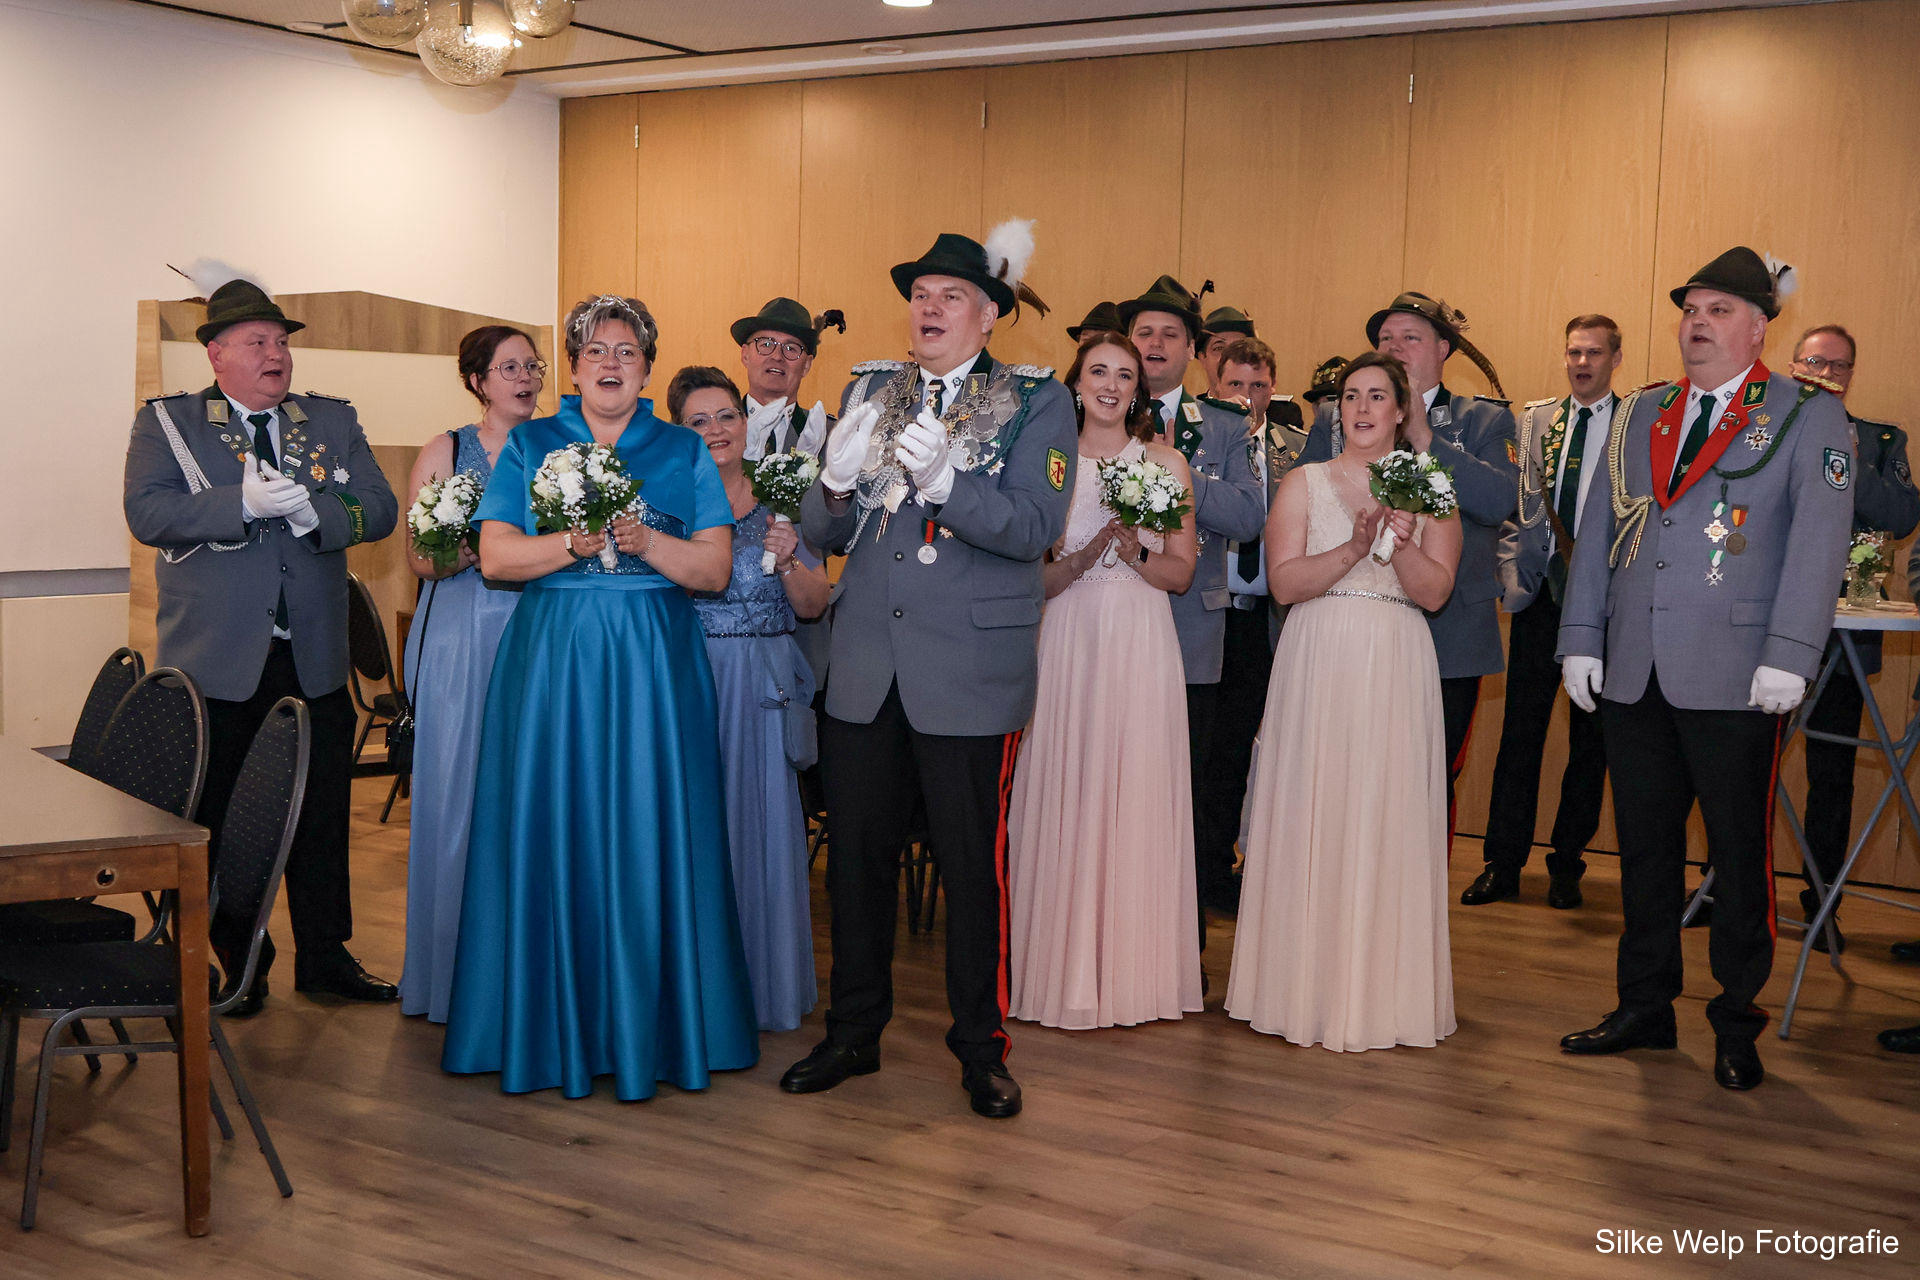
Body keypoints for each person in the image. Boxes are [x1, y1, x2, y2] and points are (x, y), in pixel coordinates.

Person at [779, 223, 1074, 1119]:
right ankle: (853, 1032)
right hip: (868, 666)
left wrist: (951, 485)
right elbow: (824, 535)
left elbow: (1034, 528)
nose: (930, 308)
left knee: (971, 873)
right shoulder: (871, 389)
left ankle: (982, 1050)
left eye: (951, 296)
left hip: (969, 672)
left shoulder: (1035, 402)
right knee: (856, 864)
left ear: (990, 315)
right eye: (920, 295)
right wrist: (830, 487)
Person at [442, 295, 758, 1099]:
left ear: (646, 368)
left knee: (656, 820)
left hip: (654, 661)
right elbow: (496, 559)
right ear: (575, 369)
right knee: (553, 820)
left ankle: (660, 1031)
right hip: (554, 659)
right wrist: (570, 543)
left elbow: (714, 571)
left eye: (626, 351)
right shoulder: (531, 444)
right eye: (594, 352)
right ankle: (550, 1028)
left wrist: (648, 542)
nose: (610, 363)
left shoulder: (682, 448)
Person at [1557, 247, 1852, 1091]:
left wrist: (1791, 653)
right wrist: (1581, 635)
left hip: (1737, 671)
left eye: (1720, 309)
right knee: (1645, 851)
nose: (1698, 322)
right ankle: (1645, 1005)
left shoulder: (1804, 414)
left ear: (1760, 328)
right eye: (1691, 309)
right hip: (1635, 666)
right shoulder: (1642, 410)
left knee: (1738, 855)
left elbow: (1818, 542)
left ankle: (1736, 1020)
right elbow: (1600, 526)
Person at [124, 277, 398, 1016]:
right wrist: (237, 504)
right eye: (257, 342)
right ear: (217, 354)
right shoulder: (170, 423)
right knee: (216, 817)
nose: (276, 354)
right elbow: (147, 512)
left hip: (312, 655)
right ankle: (238, 958)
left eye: (281, 341)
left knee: (322, 812)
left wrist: (319, 518)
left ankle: (326, 955)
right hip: (217, 660)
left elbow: (379, 507)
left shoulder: (330, 420)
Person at [1226, 352, 1461, 1050]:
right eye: (1350, 395)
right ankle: (1299, 987)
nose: (1361, 408)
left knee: (1385, 808)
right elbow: (1285, 583)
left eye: (1377, 396)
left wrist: (1398, 542)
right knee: (1315, 806)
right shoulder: (1304, 482)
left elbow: (1436, 593)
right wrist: (1355, 547)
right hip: (1318, 656)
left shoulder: (1432, 487)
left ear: (1401, 410)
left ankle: (1382, 994)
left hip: (1395, 658)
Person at [1006, 331, 1201, 1029]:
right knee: (1068, 781)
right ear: (1076, 384)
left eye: (1124, 374)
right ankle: (1056, 969)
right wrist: (1081, 554)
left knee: (1134, 785)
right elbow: (1034, 581)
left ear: (1138, 389)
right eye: (1098, 372)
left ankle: (1132, 973)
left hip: (1141, 635)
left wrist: (1135, 551)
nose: (1111, 385)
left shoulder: (1165, 463)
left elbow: (1182, 572)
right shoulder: (1047, 464)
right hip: (1068, 634)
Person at [1298, 293, 1518, 837]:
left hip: (1449, 629)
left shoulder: (1483, 420)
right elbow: (1298, 505)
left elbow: (1499, 502)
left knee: (1427, 780)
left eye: (1410, 338)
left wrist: (1423, 436)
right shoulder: (1336, 416)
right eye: (1385, 339)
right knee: (1345, 773)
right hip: (1349, 627)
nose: (1395, 348)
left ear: (1444, 349)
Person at [672, 365, 831, 1033]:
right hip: (687, 679)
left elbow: (815, 604)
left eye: (726, 416)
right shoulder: (668, 504)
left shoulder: (782, 497)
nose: (715, 430)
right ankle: (696, 994)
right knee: (692, 829)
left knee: (762, 827)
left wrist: (790, 557)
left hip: (763, 683)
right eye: (698, 421)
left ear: (746, 423)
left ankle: (765, 989)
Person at [395, 326, 539, 1023]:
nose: (526, 378)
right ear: (478, 381)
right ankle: (452, 976)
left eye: (532, 366)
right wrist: (483, 551)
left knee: (530, 794)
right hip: (461, 630)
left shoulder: (562, 448)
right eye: (509, 367)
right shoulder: (445, 452)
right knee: (458, 793)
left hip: (538, 630)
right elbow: (421, 559)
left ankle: (528, 971)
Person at [1120, 275, 1265, 941]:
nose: (1155, 343)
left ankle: (1178, 944)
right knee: (1116, 786)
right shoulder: (1094, 411)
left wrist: (1177, 470)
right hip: (1108, 621)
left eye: (1169, 334)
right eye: (1144, 332)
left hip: (1192, 633)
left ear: (1193, 350)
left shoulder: (1226, 426)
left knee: (1188, 790)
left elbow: (1248, 515)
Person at [1475, 315, 1622, 910]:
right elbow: (1516, 508)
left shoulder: (1634, 422)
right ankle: (1502, 863)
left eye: (1594, 353)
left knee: (1591, 742)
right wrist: (1512, 576)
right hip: (1541, 598)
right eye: (1574, 352)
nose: (1582, 363)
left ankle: (1567, 863)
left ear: (1615, 359)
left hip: (1604, 607)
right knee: (1520, 736)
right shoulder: (1535, 420)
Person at [1786, 324, 1918, 954]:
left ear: (1851, 374)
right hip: (1767, 628)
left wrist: (1847, 453)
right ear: (1793, 365)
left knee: (1831, 776)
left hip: (1842, 639)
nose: (1825, 374)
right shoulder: (1765, 429)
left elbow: (1901, 517)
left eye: (1838, 365)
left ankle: (1822, 905)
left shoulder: (1882, 440)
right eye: (1814, 362)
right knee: (1739, 764)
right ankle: (1723, 887)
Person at [1194, 335, 1303, 912]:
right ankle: (1191, 871)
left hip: (1263, 621)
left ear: (1273, 389)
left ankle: (1220, 868)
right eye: (1235, 384)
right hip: (1207, 612)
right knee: (1199, 749)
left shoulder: (1297, 449)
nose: (1247, 396)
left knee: (1238, 751)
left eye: (1258, 386)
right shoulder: (1197, 439)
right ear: (1214, 385)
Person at [732, 296, 844, 461]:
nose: (777, 356)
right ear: (745, 355)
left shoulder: (832, 438)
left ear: (806, 365)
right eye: (766, 344)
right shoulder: (717, 429)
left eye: (791, 348)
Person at [1198, 304, 1256, 397]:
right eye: (1219, 348)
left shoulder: (1269, 405)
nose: (1230, 357)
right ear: (1202, 359)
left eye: (1239, 347)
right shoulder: (1189, 406)